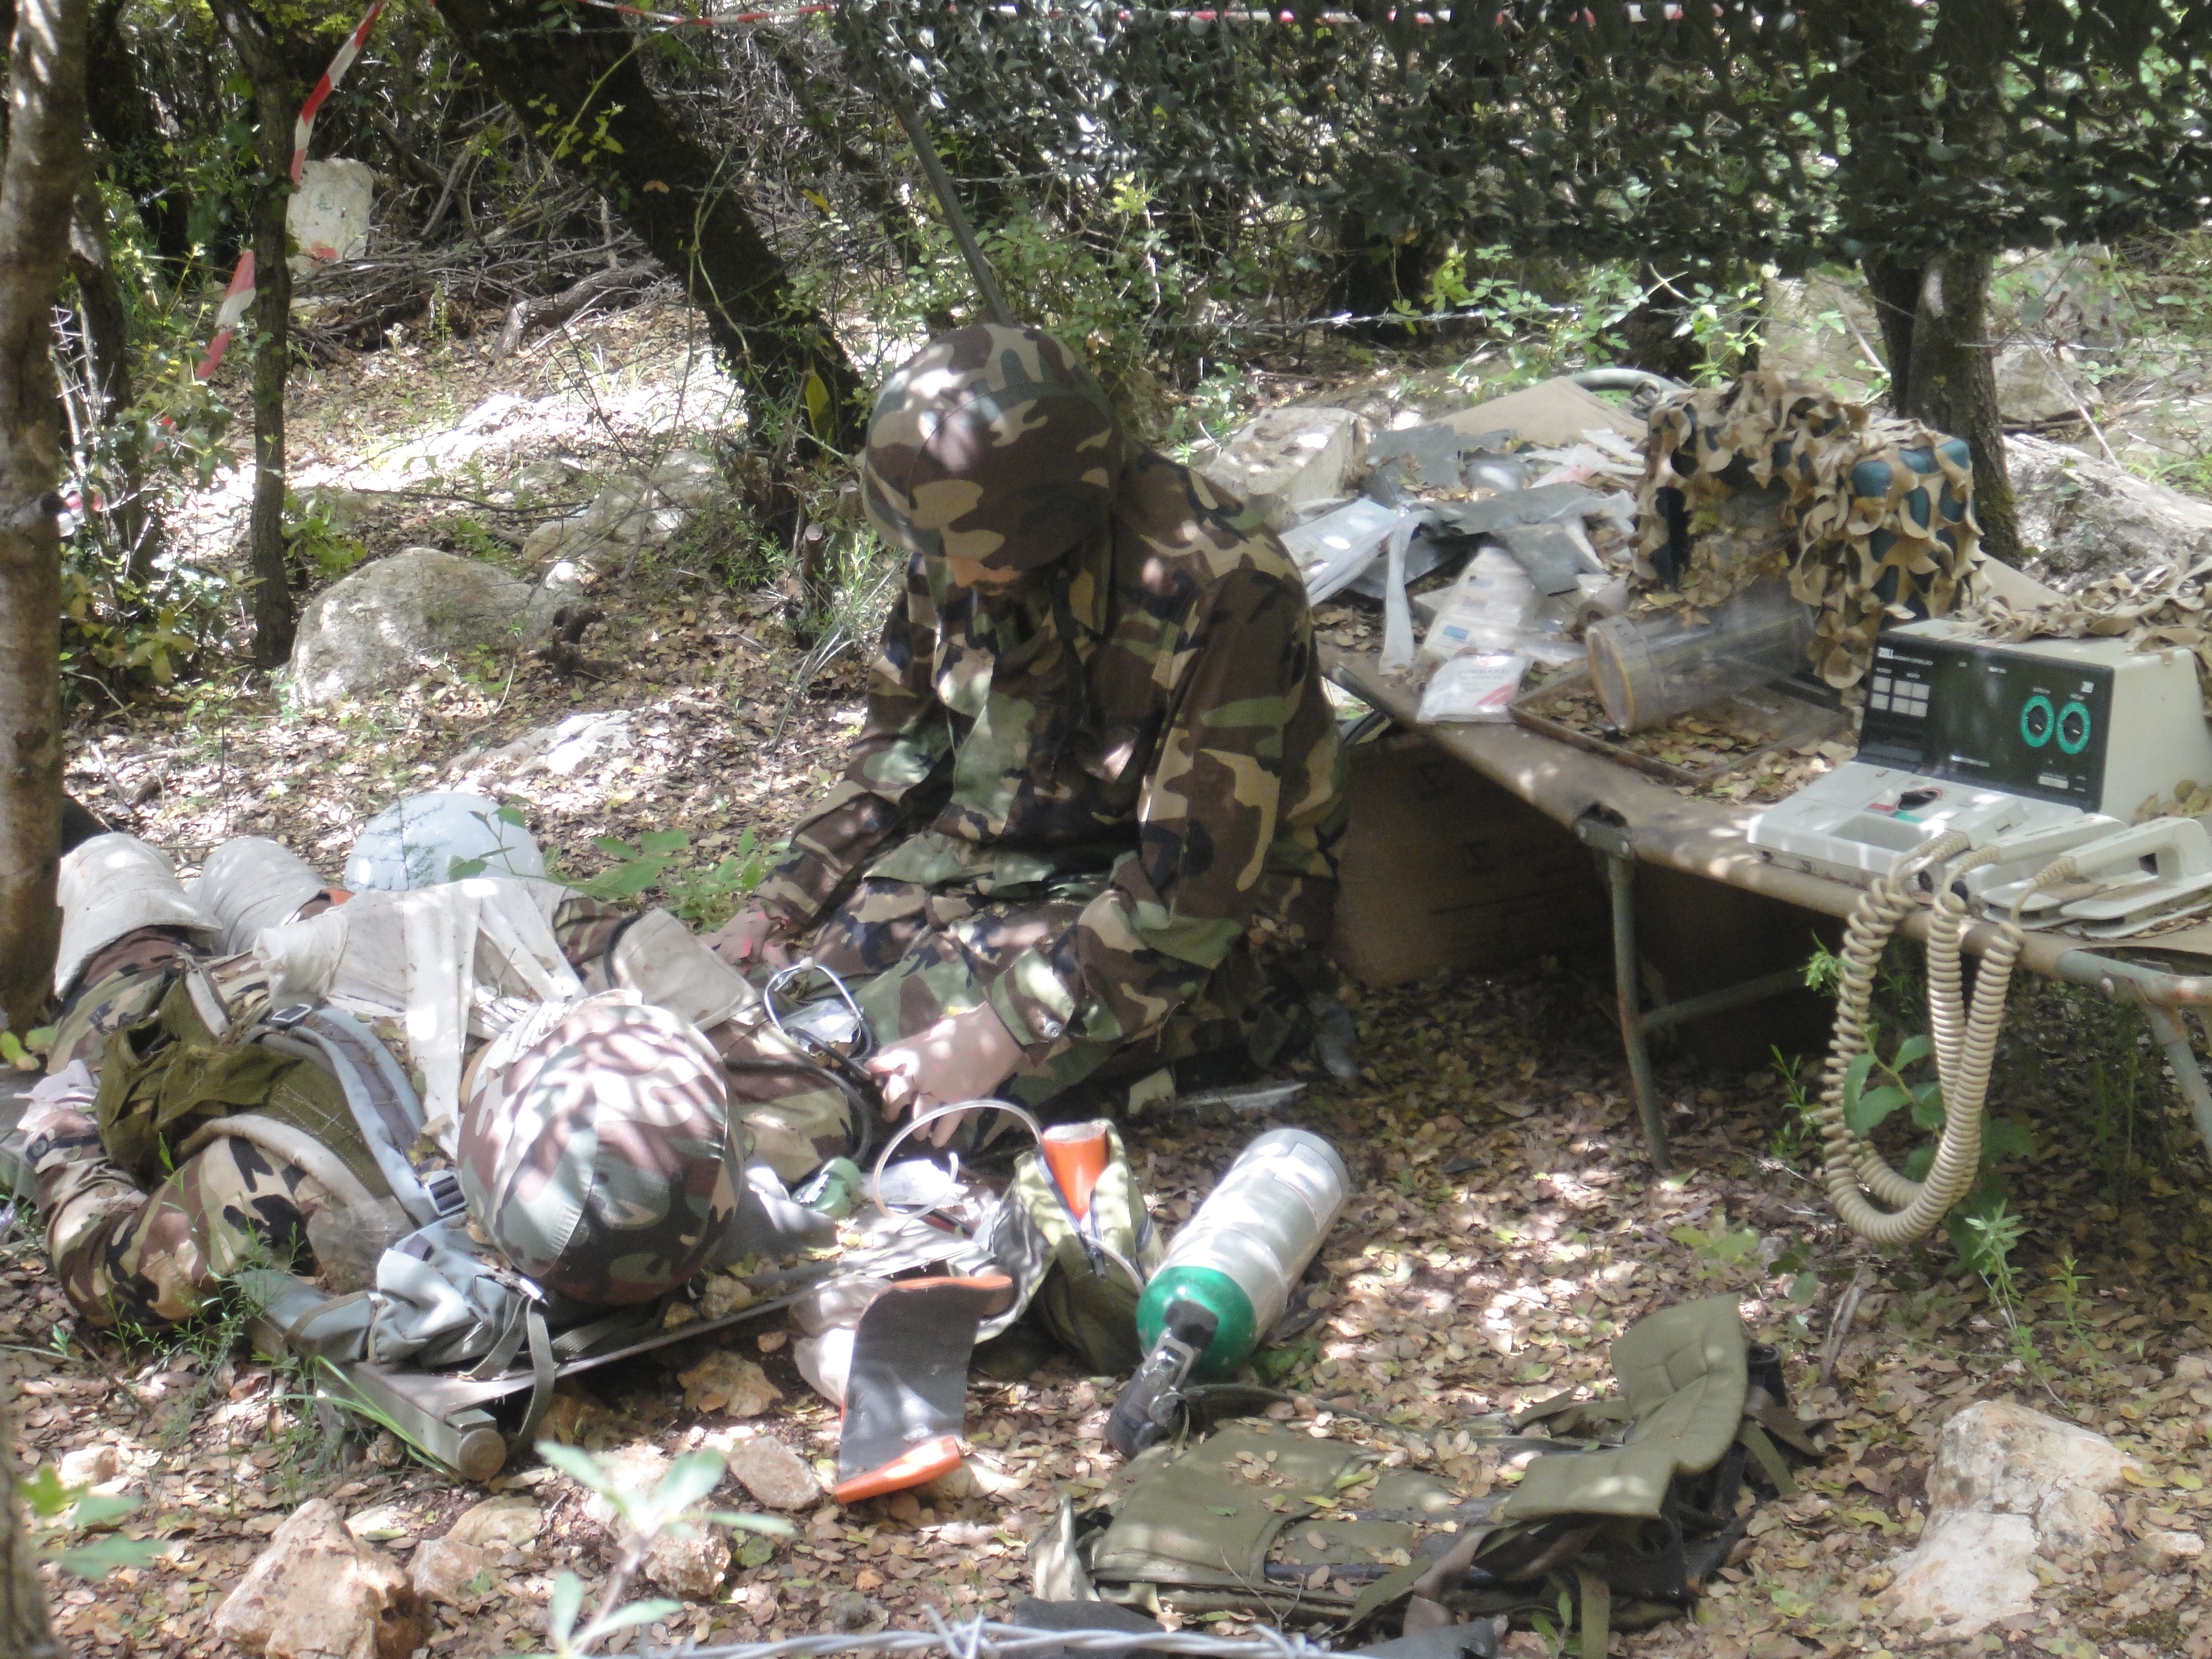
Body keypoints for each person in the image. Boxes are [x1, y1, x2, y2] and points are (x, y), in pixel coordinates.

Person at [707, 324, 1347, 1144]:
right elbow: (897, 756)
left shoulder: (1225, 587)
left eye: (970, 557)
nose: (950, 575)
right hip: (1002, 872)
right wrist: (777, 908)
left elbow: (1193, 895)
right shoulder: (967, 534)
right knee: (787, 1017)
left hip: (1193, 934)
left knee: (870, 1094)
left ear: (1051, 521)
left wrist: (997, 1032)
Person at [20, 822, 805, 1334]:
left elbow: (105, 1272)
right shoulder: (675, 1158)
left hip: (163, 1000)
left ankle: (129, 908)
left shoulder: (308, 1165)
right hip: (345, 952)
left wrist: (65, 1135)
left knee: (114, 867)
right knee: (248, 862)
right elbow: (809, 1100)